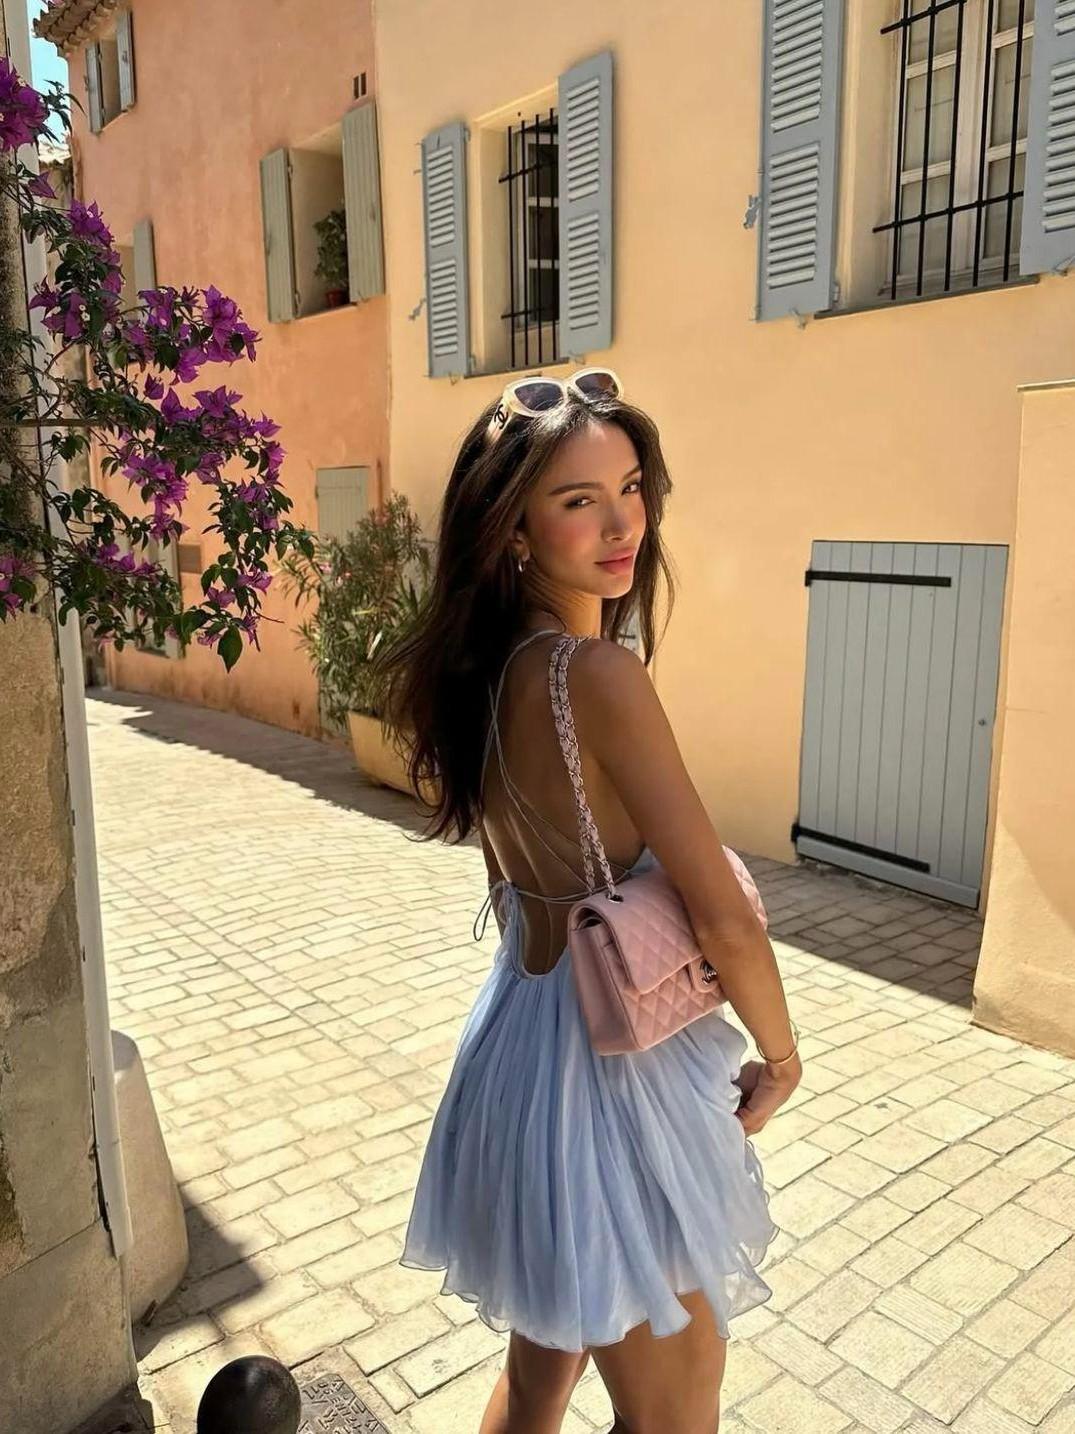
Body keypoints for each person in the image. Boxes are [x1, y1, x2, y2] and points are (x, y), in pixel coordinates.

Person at [373, 369, 800, 1434]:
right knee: (674, 1416)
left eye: (630, 487)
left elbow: (515, 886)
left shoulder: (481, 676)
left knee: (538, 1379)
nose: (622, 525)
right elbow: (724, 915)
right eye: (578, 500)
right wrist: (781, 1056)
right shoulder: (596, 676)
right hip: (619, 1089)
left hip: (519, 1058)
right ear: (514, 530)